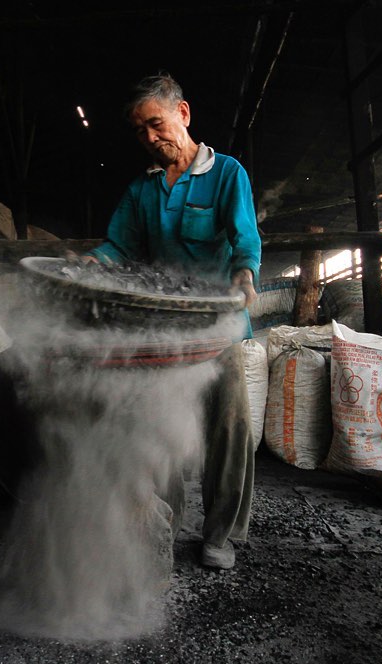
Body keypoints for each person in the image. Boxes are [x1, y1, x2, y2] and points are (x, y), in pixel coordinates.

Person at [80, 73, 262, 569]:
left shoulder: (226, 173)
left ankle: (220, 534)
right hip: (162, 328)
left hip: (217, 326)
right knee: (160, 427)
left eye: (156, 124)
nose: (150, 137)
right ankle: (166, 524)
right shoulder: (143, 190)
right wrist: (94, 263)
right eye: (140, 131)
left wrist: (244, 277)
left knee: (228, 426)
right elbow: (119, 245)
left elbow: (245, 238)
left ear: (183, 113)